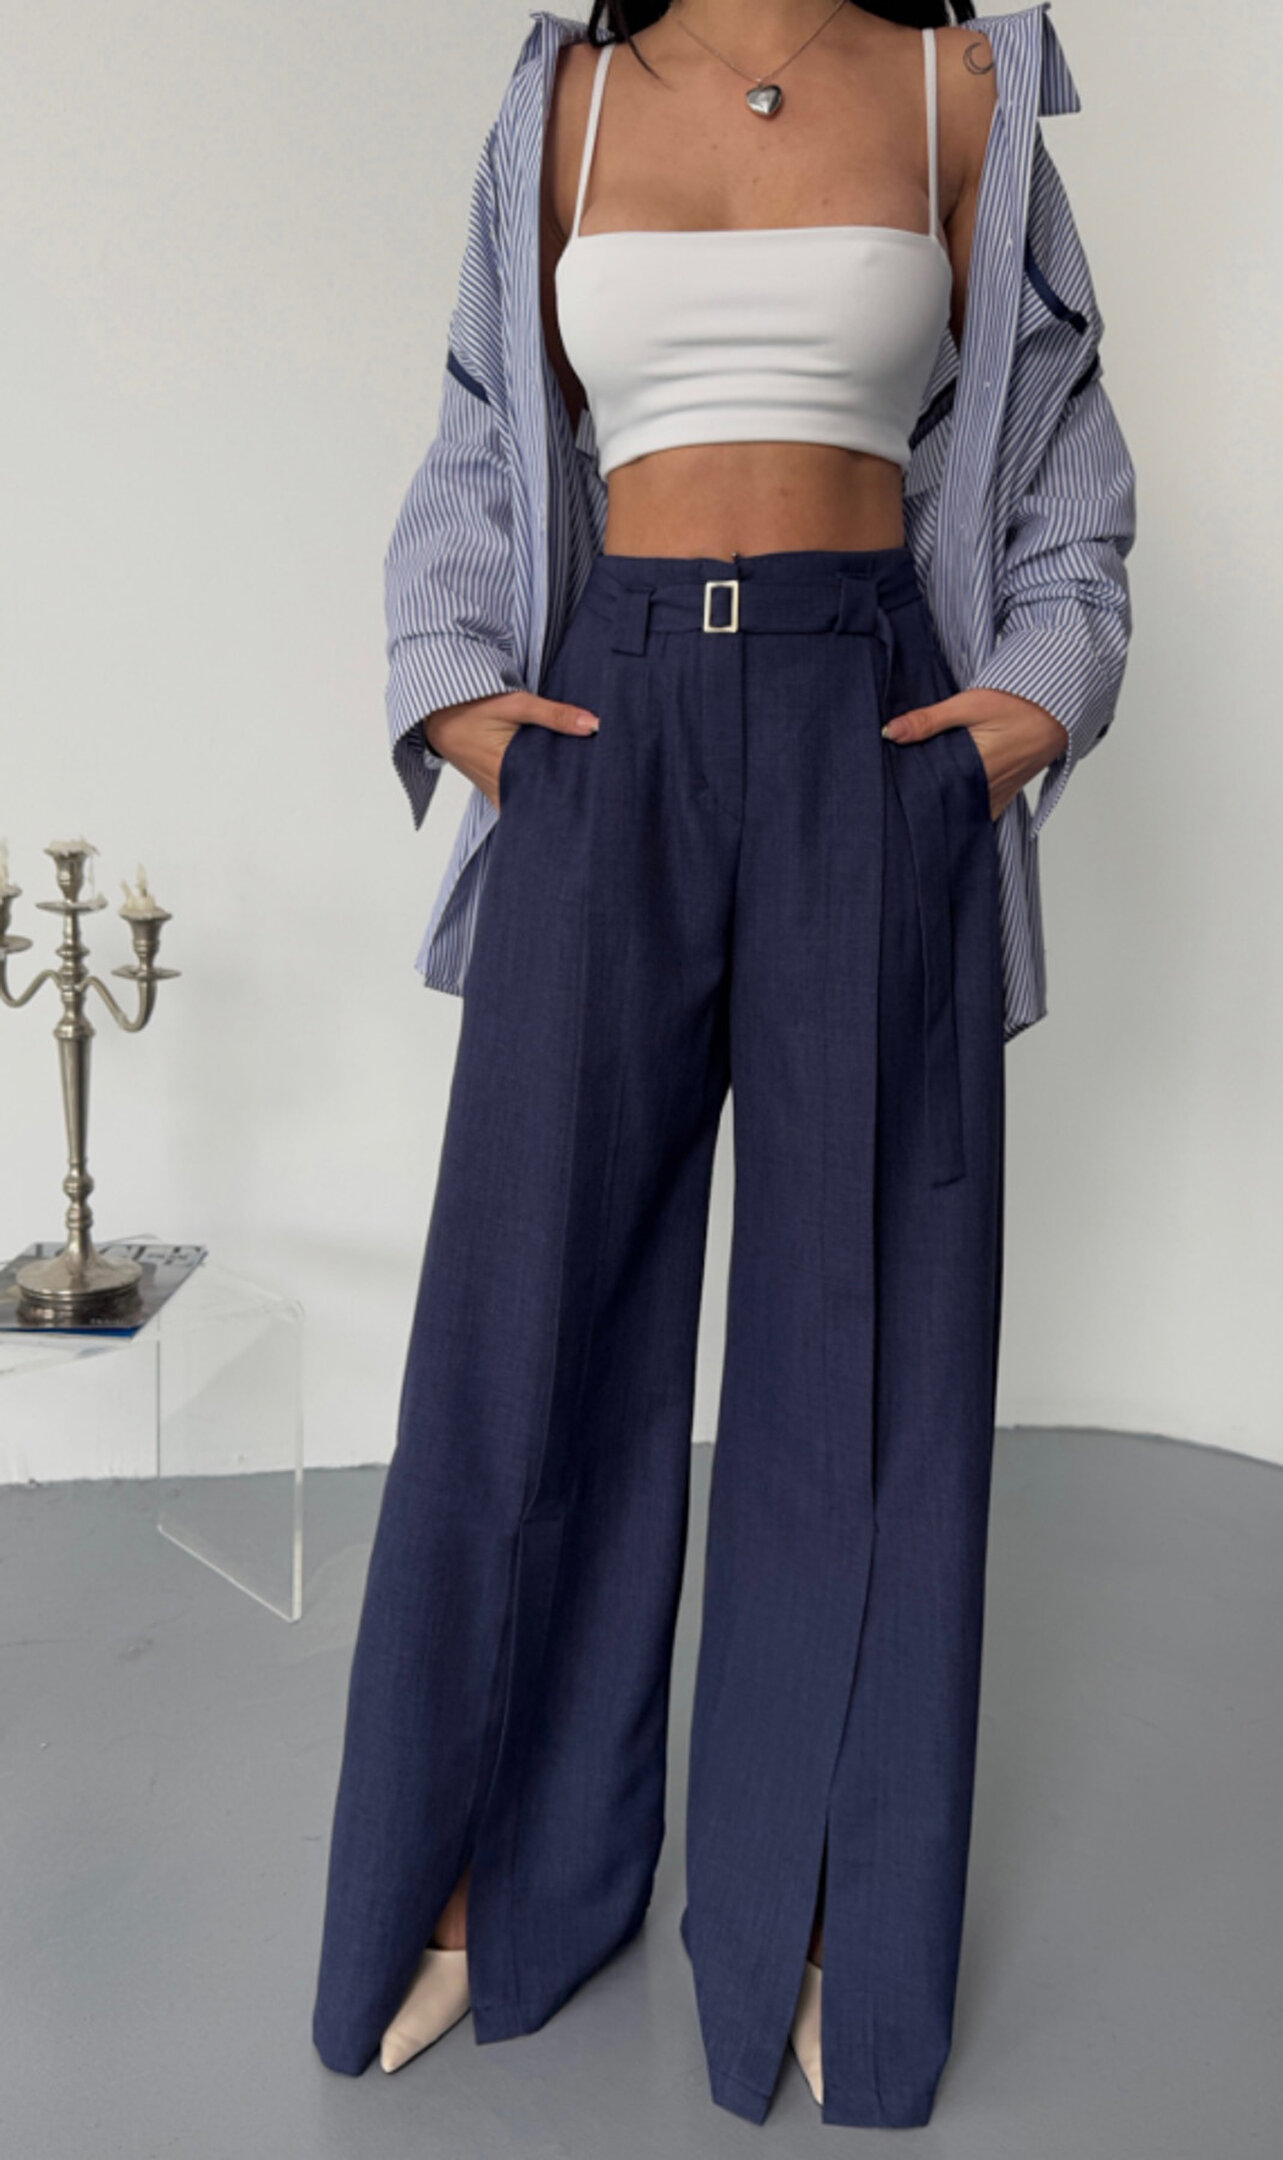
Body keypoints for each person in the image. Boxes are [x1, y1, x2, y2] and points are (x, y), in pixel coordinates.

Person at [312, 0, 1136, 2131]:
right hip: (609, 731)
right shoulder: (566, 102)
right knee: (528, 1325)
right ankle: (493, 1872)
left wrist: (1034, 695)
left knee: (860, 1353)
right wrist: (453, 686)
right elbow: (485, 420)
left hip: (876, 720)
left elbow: (1058, 438)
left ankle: (825, 1896)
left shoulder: (962, 86)